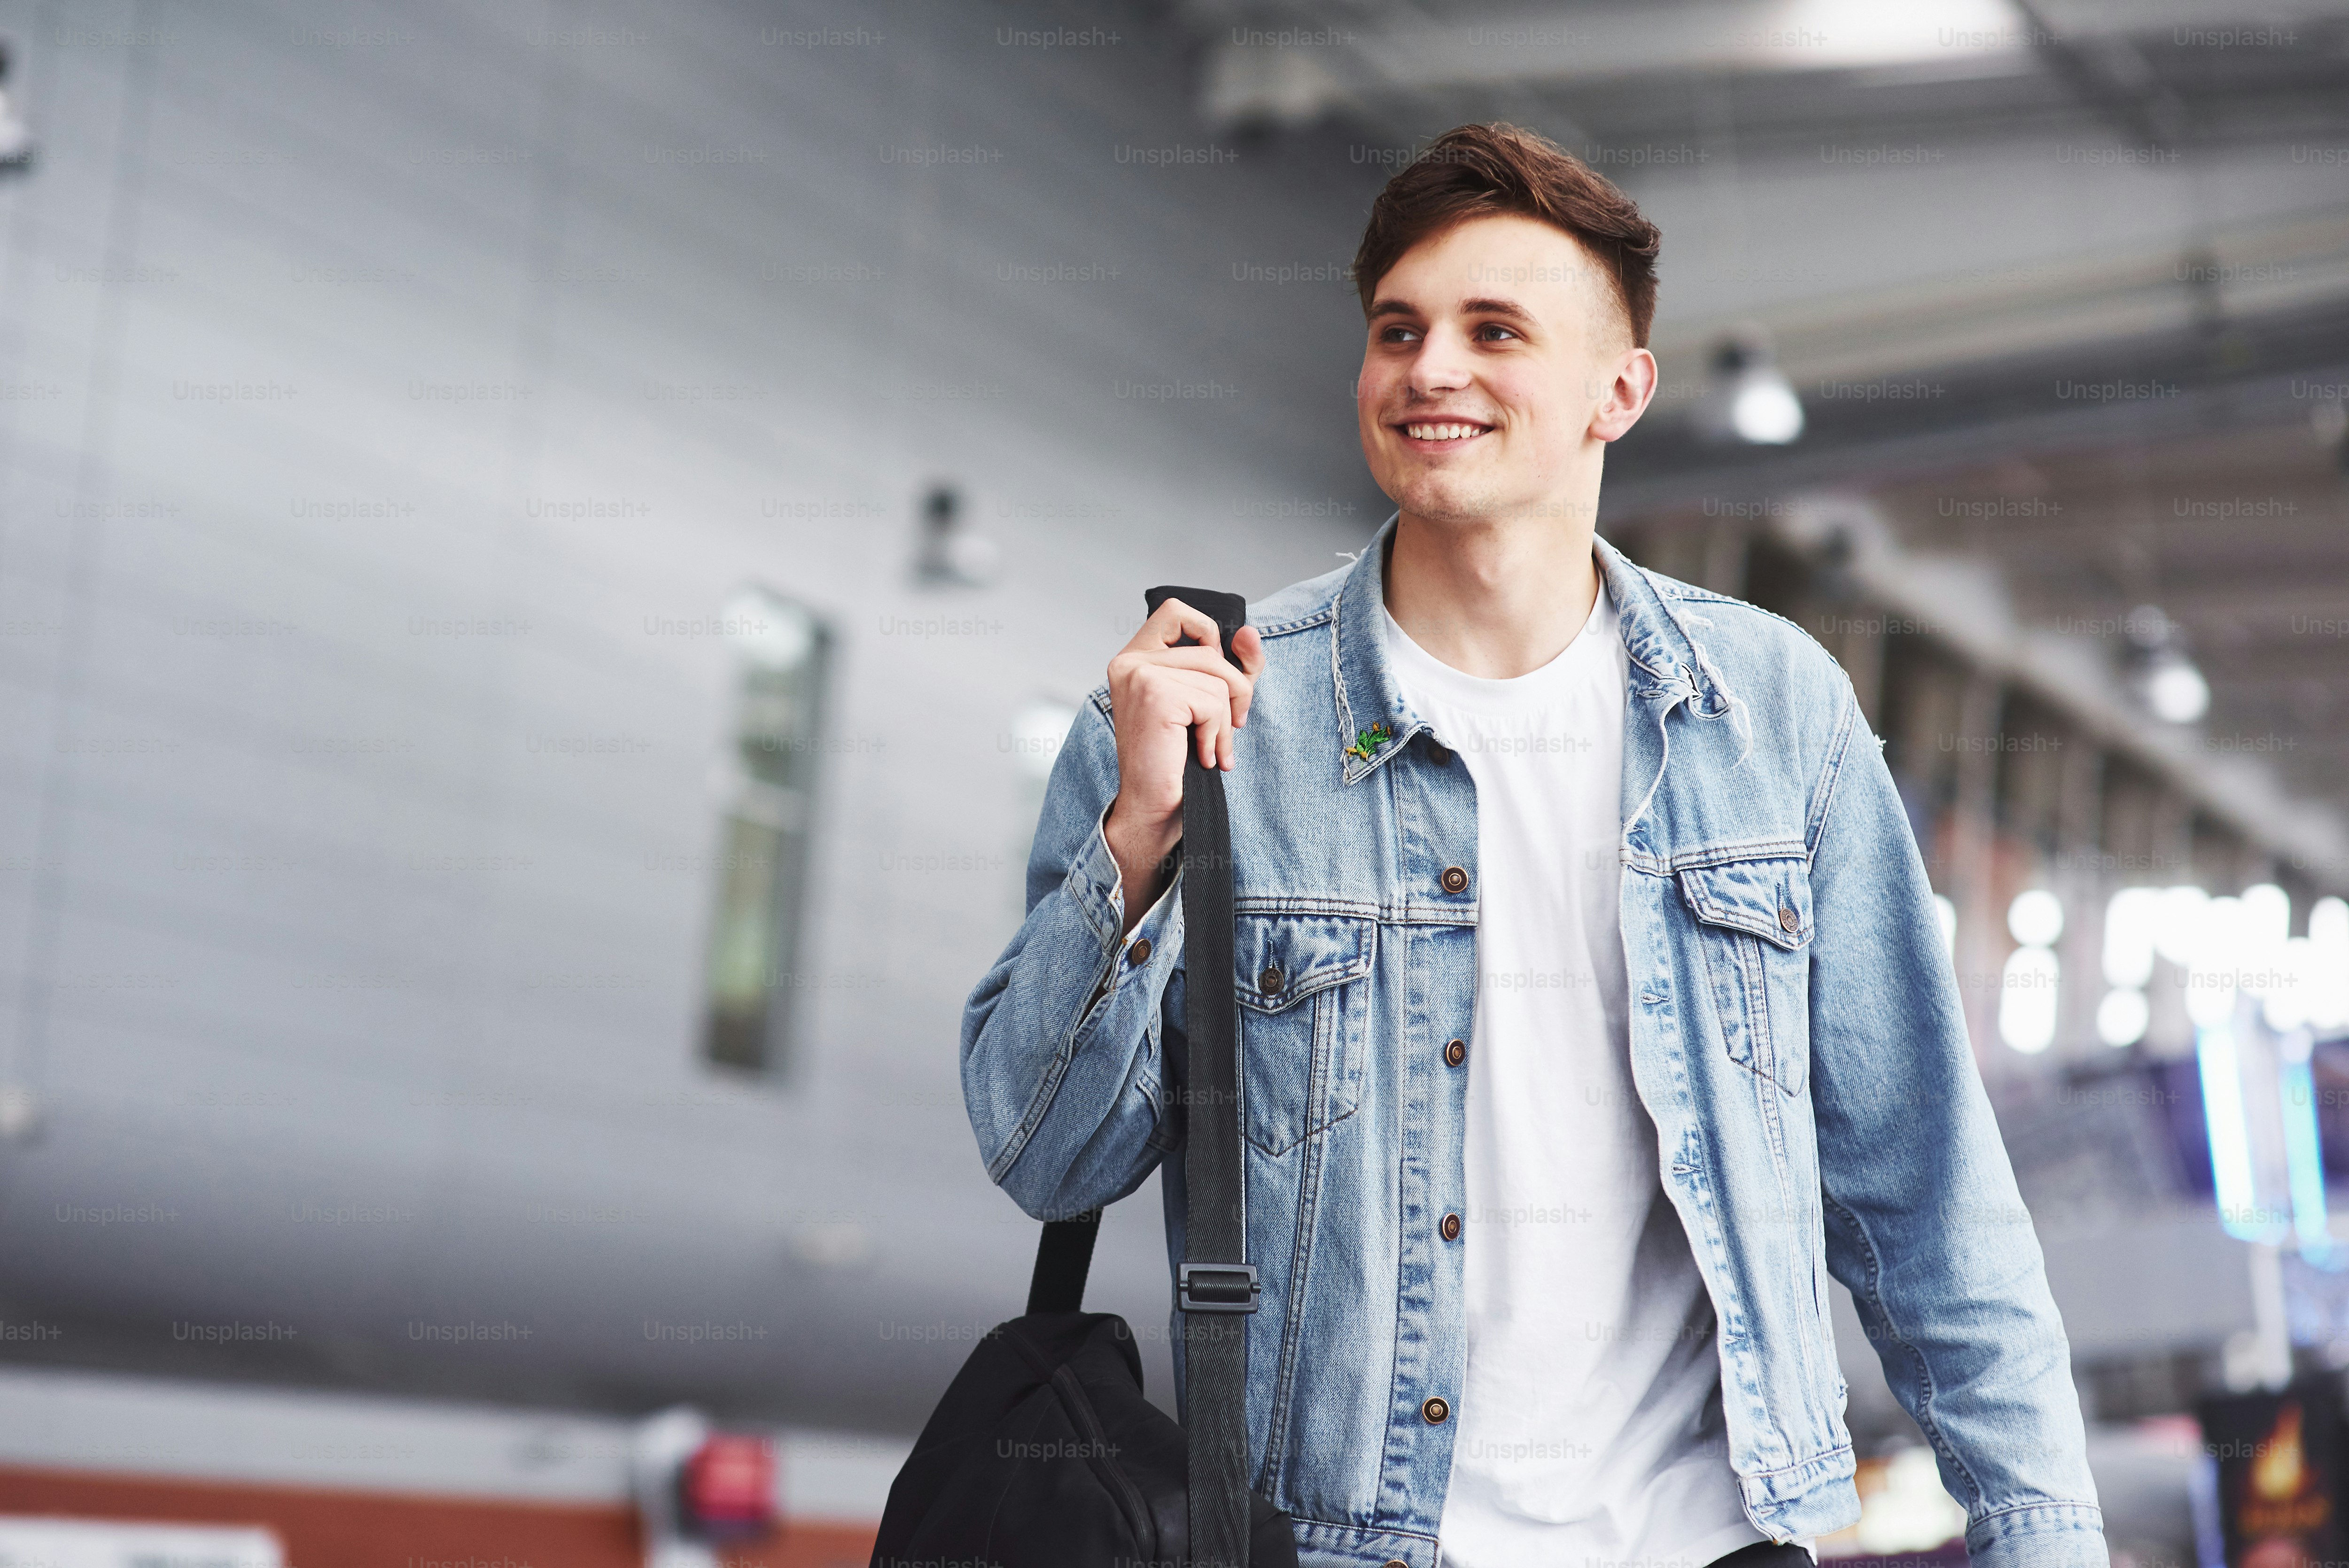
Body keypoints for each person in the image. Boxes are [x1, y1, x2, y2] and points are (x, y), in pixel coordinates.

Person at [961, 123, 2103, 1568]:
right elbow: (1047, 1158)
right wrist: (1138, 840)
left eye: (1494, 330)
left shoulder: (1773, 716)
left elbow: (1928, 1197)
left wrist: (2045, 1533)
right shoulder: (1208, 717)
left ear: (1617, 391)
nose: (1432, 368)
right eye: (1399, 329)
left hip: (1712, 1539)